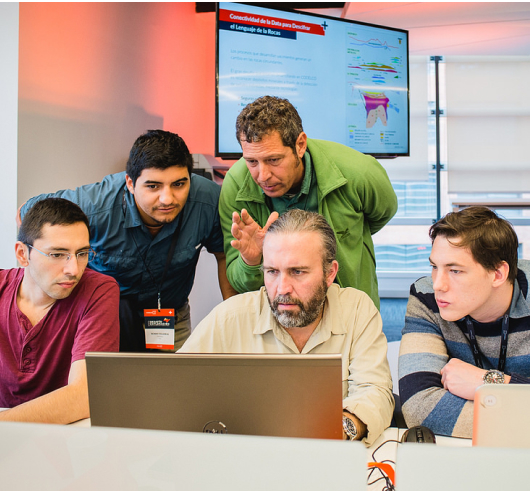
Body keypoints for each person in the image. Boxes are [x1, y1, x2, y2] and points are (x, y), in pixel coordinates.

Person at [180, 209, 394, 445]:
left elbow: (376, 391)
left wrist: (338, 429)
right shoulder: (229, 318)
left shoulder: (356, 310)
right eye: (272, 272)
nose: (282, 288)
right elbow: (176, 389)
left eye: (297, 272)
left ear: (329, 273)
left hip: (329, 454)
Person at [20, 130, 237, 352]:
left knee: (172, 375)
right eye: (153, 186)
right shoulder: (95, 205)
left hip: (169, 316)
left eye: (179, 184)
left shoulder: (208, 200)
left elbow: (224, 255)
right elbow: (26, 212)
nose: (167, 199)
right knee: (97, 375)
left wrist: (234, 318)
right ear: (130, 184)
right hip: (101, 315)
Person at [219, 95, 397, 309]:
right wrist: (251, 261)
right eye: (251, 161)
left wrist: (349, 236)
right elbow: (239, 282)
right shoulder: (236, 185)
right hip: (280, 316)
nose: (263, 175)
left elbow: (383, 212)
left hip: (351, 311)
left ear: (300, 145)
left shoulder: (359, 172)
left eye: (274, 160)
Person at [399, 206, 530, 438]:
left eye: (455, 271)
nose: (438, 284)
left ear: (498, 274)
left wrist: (489, 382)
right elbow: (420, 409)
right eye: (434, 267)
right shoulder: (426, 297)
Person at [1, 198, 119, 423]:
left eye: (82, 253)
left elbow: (84, 396)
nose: (73, 270)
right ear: (22, 254)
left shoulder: (98, 290)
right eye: (57, 254)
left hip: (66, 434)